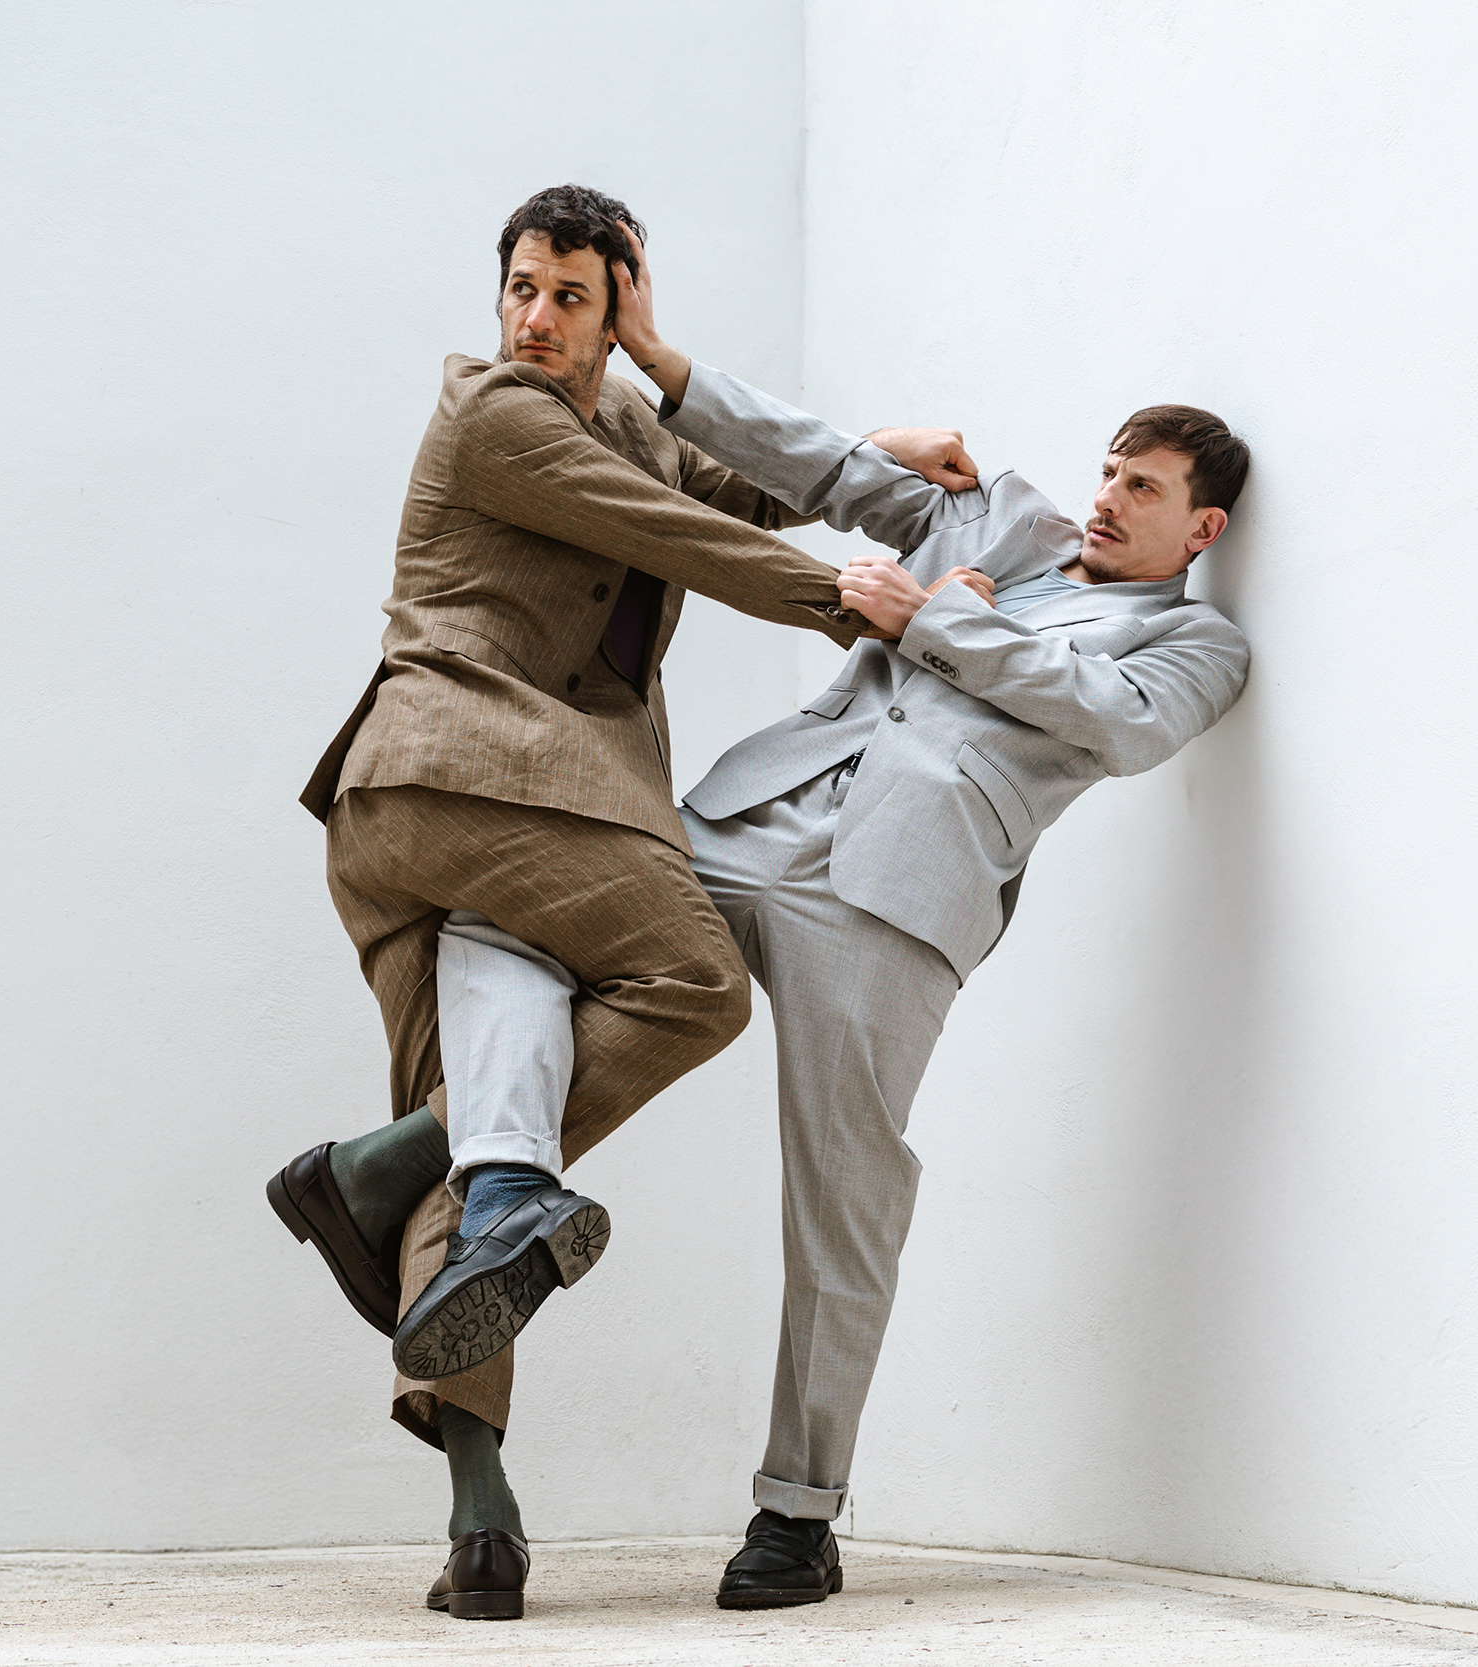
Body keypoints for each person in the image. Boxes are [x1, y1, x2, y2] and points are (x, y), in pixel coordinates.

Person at [263, 183, 976, 1622]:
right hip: (466, 779)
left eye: (570, 297)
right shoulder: (495, 415)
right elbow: (685, 536)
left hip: (505, 810)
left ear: (618, 306)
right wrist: (852, 599)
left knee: (495, 1148)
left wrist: (871, 455)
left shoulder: (629, 420)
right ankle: (384, 1167)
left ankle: (479, 1515)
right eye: (521, 290)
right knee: (697, 982)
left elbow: (725, 492)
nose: (535, 319)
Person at [607, 242, 1253, 1606]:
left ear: (1201, 531)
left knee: (845, 1191)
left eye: (1143, 488)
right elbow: (831, 469)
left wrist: (930, 624)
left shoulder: (1195, 648)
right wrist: (665, 365)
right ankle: (446, 1161)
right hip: (752, 818)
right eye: (1107, 472)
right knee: (545, 910)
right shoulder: (1000, 526)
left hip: (897, 896)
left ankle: (798, 1513)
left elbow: (1115, 725)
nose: (1106, 499)